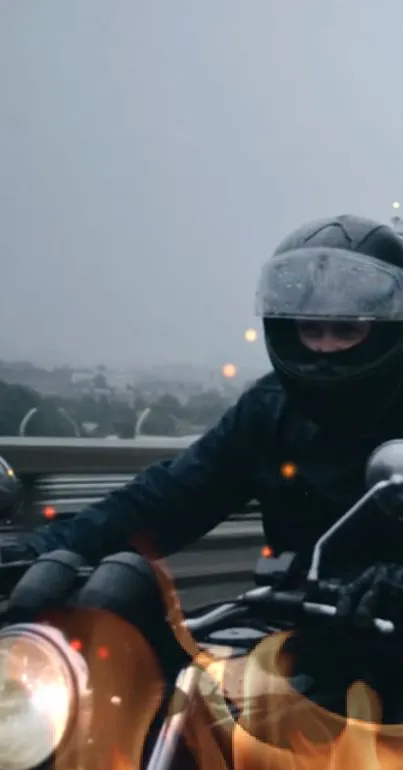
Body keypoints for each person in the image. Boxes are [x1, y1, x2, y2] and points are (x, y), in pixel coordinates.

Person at [6, 213, 403, 627]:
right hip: (300, 634)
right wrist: (40, 550)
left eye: (346, 330)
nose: (325, 348)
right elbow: (168, 497)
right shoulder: (269, 411)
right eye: (311, 330)